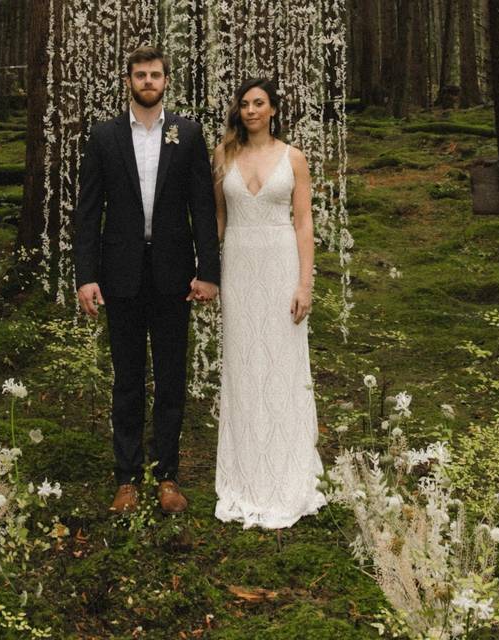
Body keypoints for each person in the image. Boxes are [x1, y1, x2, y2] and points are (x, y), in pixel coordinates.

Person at [73, 46, 221, 515]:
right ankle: (126, 478)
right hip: (120, 276)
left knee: (172, 378)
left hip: (174, 275)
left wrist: (209, 273)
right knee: (128, 379)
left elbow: (202, 208)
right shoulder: (104, 136)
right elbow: (88, 211)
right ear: (129, 81)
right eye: (140, 74)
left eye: (155, 74)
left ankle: (168, 476)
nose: (148, 81)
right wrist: (85, 276)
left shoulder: (189, 134)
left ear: (166, 80)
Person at [212, 78, 326, 529]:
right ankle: (245, 471)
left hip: (281, 265)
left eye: (259, 103)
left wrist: (304, 283)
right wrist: (206, 273)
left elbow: (302, 222)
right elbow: (217, 221)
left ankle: (286, 469)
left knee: (281, 362)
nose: (251, 110)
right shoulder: (223, 157)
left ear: (274, 109)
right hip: (239, 266)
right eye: (245, 104)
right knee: (243, 363)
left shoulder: (293, 157)